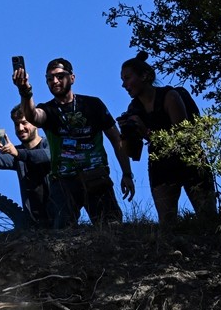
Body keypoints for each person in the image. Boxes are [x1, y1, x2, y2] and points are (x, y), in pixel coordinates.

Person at [12, 57, 135, 227]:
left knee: (111, 228)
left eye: (60, 76)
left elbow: (116, 139)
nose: (54, 81)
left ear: (72, 78)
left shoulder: (93, 104)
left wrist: (127, 174)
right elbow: (33, 116)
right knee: (62, 234)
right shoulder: (48, 109)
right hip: (63, 182)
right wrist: (25, 91)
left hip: (96, 177)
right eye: (49, 78)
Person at [118, 53, 216, 225]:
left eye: (127, 78)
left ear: (145, 76)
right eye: (122, 80)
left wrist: (146, 131)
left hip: (190, 160)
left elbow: (183, 138)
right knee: (167, 222)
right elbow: (133, 152)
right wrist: (126, 132)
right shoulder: (134, 108)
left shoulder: (170, 96)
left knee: (208, 218)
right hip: (160, 163)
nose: (124, 85)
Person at [0, 104, 52, 227]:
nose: (20, 128)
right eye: (16, 124)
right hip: (33, 220)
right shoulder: (16, 153)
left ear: (35, 123)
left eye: (24, 123)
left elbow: (46, 156)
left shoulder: (49, 143)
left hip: (58, 213)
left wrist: (18, 153)